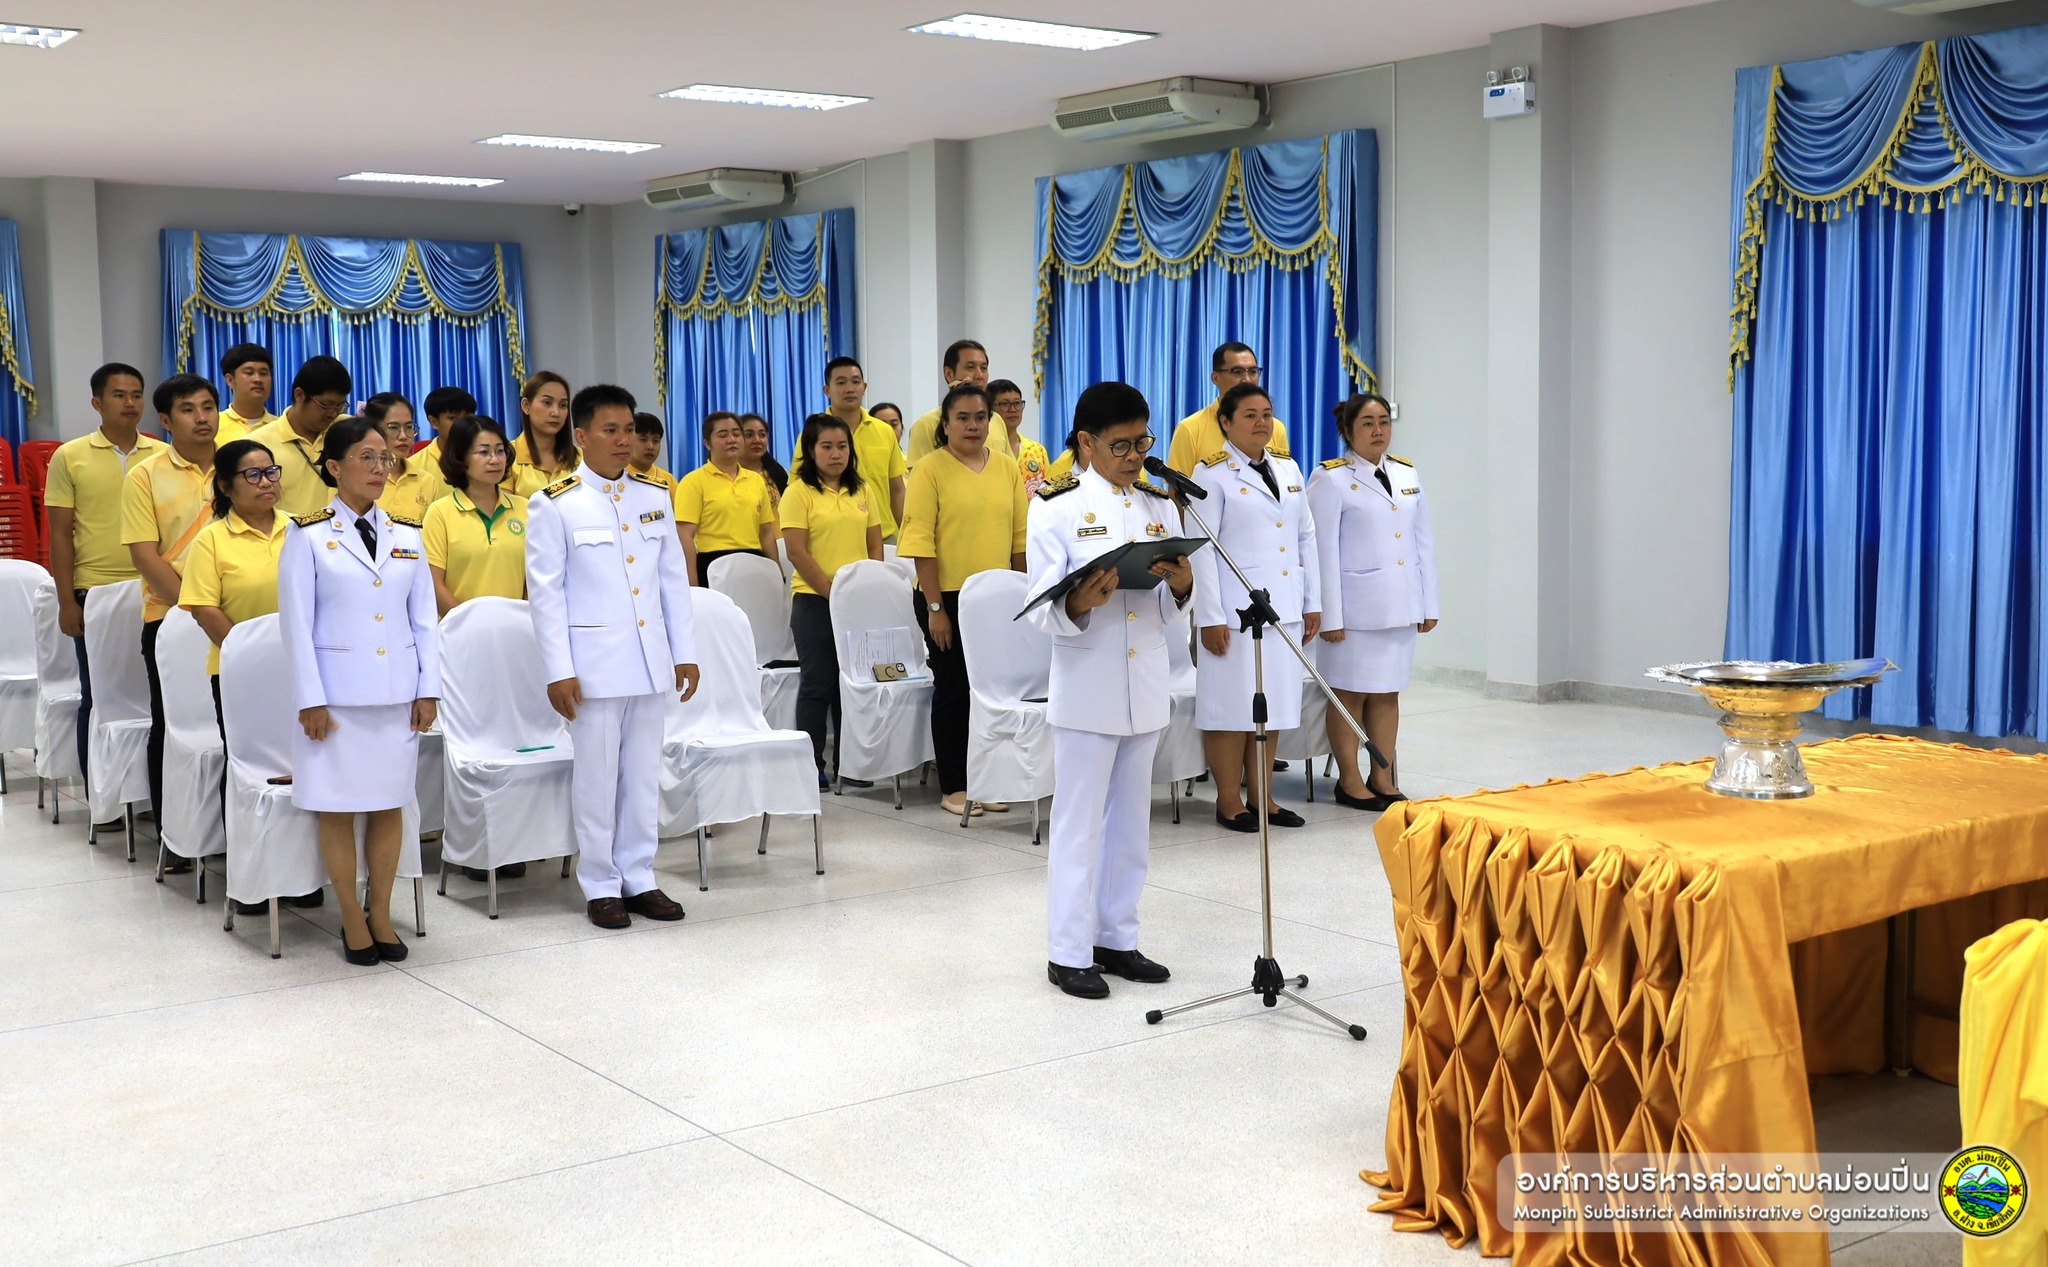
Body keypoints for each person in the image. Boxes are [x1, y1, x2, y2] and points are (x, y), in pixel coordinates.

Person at [1024, 381, 1192, 1000]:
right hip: (1088, 685)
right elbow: (1037, 605)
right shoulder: (1055, 505)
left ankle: (1116, 937)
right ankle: (1067, 951)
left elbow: (1168, 609)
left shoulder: (1159, 504)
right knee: (1079, 824)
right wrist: (1076, 602)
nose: (1133, 455)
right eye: (1120, 445)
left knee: (1131, 824)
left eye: (1142, 441)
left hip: (1144, 681)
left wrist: (1181, 586)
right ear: (1086, 443)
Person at [525, 383, 698, 930]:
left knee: (643, 774)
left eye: (630, 430)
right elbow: (546, 594)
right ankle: (600, 882)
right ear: (581, 436)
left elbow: (673, 582)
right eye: (611, 430)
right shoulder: (556, 503)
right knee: (598, 777)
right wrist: (559, 669)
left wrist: (684, 653)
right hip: (592, 666)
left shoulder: (653, 498)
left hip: (649, 662)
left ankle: (640, 875)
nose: (625, 441)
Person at [277, 417, 439, 964]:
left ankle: (381, 912)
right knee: (338, 809)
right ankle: (349, 915)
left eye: (384, 458)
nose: (378, 468)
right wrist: (309, 698)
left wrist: (428, 690)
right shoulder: (309, 533)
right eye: (366, 457)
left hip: (397, 695)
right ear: (334, 467)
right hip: (337, 699)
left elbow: (424, 623)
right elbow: (296, 624)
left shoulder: (408, 534)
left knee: (391, 804)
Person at [1190, 383, 1321, 832]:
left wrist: (1312, 602)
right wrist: (1209, 615)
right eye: (1249, 414)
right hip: (1234, 612)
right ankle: (1229, 800)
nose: (1261, 422)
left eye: (1266, 413)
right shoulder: (1211, 474)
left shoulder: (1287, 468)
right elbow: (1201, 550)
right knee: (1231, 708)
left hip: (1281, 609)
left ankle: (1263, 797)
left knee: (1274, 705)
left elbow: (1306, 537)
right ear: (1225, 422)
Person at [897, 383, 1028, 818]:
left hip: (995, 598)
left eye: (980, 417)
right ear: (946, 424)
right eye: (963, 418)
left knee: (990, 690)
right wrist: (935, 609)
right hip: (945, 596)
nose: (973, 426)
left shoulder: (1007, 468)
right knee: (953, 688)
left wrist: (1022, 595)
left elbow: (1019, 540)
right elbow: (920, 542)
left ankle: (988, 779)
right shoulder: (929, 469)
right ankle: (954, 783)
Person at [46, 362, 165, 825]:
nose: (130, 403)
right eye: (119, 395)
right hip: (94, 589)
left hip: (153, 589)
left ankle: (151, 791)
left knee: (155, 694)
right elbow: (59, 535)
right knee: (98, 696)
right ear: (97, 403)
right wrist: (65, 600)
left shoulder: (161, 454)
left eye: (136, 394)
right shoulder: (70, 456)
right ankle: (102, 799)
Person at [1309, 394, 1437, 810]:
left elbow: (1424, 543)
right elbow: (1320, 551)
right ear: (1347, 431)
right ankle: (1349, 780)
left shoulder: (1406, 473)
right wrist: (1330, 615)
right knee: (1348, 695)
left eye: (1384, 421)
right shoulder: (1330, 479)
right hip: (1354, 610)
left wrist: (1428, 603)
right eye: (1367, 423)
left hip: (1400, 606)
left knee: (1388, 692)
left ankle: (1382, 776)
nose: (1378, 430)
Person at [181, 439, 290, 912]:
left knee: (301, 770)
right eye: (253, 475)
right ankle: (249, 878)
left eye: (272, 472)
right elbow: (204, 607)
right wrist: (250, 658)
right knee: (249, 772)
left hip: (304, 673)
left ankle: (299, 873)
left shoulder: (303, 529)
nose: (267, 482)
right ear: (225, 485)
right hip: (238, 674)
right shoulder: (212, 539)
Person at [122, 373, 219, 840]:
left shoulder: (243, 464)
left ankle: (236, 832)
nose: (201, 418)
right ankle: (174, 835)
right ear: (164, 420)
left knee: (242, 727)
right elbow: (144, 554)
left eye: (207, 406)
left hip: (239, 622)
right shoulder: (145, 474)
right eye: (187, 409)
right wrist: (197, 607)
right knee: (172, 723)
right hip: (170, 619)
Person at [780, 412, 884, 785]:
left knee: (852, 685)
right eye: (826, 446)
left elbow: (875, 545)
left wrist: (870, 588)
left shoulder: (863, 489)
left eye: (842, 446)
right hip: (813, 600)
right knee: (818, 685)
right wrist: (832, 592)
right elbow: (796, 551)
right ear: (811, 450)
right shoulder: (798, 492)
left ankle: (850, 765)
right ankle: (811, 767)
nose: (836, 453)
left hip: (856, 603)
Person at [423, 415, 528, 616]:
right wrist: (472, 624)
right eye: (483, 452)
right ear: (460, 457)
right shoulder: (440, 513)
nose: (495, 460)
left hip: (517, 632)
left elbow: (534, 581)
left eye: (500, 451)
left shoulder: (525, 508)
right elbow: (434, 586)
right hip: (460, 633)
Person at [673, 411, 777, 586]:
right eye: (723, 435)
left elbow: (766, 532)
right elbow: (684, 535)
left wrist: (776, 571)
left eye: (737, 434)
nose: (732, 439)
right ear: (707, 443)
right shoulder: (693, 481)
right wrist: (692, 580)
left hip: (754, 562)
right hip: (713, 564)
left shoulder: (755, 480)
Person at [809, 358, 906, 539]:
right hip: (832, 537)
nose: (850, 388)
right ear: (827, 390)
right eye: (841, 382)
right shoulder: (812, 435)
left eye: (855, 382)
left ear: (864, 387)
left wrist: (908, 535)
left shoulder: (884, 431)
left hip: (884, 536)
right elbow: (801, 487)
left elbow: (897, 489)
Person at [1166, 342, 1294, 476]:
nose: (1247, 380)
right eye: (1237, 372)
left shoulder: (1274, 427)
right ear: (1215, 378)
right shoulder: (1190, 429)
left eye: (1253, 372)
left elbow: (1283, 480)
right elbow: (1176, 493)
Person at [248, 355, 351, 518]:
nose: (333, 413)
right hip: (287, 539)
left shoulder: (348, 431)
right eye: (325, 405)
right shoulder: (257, 445)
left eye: (340, 406)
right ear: (300, 395)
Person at [906, 340, 1010, 463]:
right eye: (970, 367)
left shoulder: (996, 420)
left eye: (984, 368)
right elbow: (919, 477)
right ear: (949, 374)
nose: (979, 375)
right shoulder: (926, 425)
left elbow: (1009, 470)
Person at [362, 392, 445, 521]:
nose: (403, 436)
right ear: (373, 429)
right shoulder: (357, 478)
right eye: (393, 427)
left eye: (409, 427)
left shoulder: (427, 481)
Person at [507, 371, 576, 496]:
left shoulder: (581, 458)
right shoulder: (507, 456)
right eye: (547, 403)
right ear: (526, 406)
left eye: (563, 405)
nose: (556, 412)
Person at [988, 378, 1049, 493]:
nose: (1013, 409)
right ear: (989, 409)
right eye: (1004, 404)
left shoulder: (1037, 450)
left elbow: (1048, 491)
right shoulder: (985, 450)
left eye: (1017, 403)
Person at [410, 384, 478, 480]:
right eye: (453, 418)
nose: (463, 424)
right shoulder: (414, 467)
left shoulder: (496, 456)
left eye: (468, 417)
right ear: (434, 422)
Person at [214, 344, 277, 444]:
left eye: (264, 373)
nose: (258, 379)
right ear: (230, 380)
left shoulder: (281, 427)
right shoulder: (213, 426)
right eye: (249, 372)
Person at [738, 412, 788, 511]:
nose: (757, 440)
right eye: (749, 435)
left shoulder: (778, 473)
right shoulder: (729, 475)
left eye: (762, 435)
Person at [629, 412, 675, 488]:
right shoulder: (616, 475)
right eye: (643, 440)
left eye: (656, 441)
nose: (650, 447)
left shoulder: (668, 480)